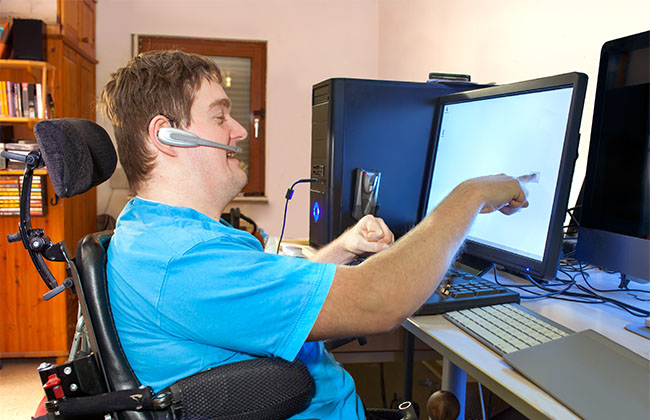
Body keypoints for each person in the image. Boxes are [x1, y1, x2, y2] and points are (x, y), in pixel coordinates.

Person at [99, 50, 534, 420]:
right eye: (219, 116)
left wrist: (343, 248)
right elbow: (379, 301)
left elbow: (265, 298)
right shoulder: (184, 259)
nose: (238, 130)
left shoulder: (154, 231)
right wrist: (469, 195)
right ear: (167, 136)